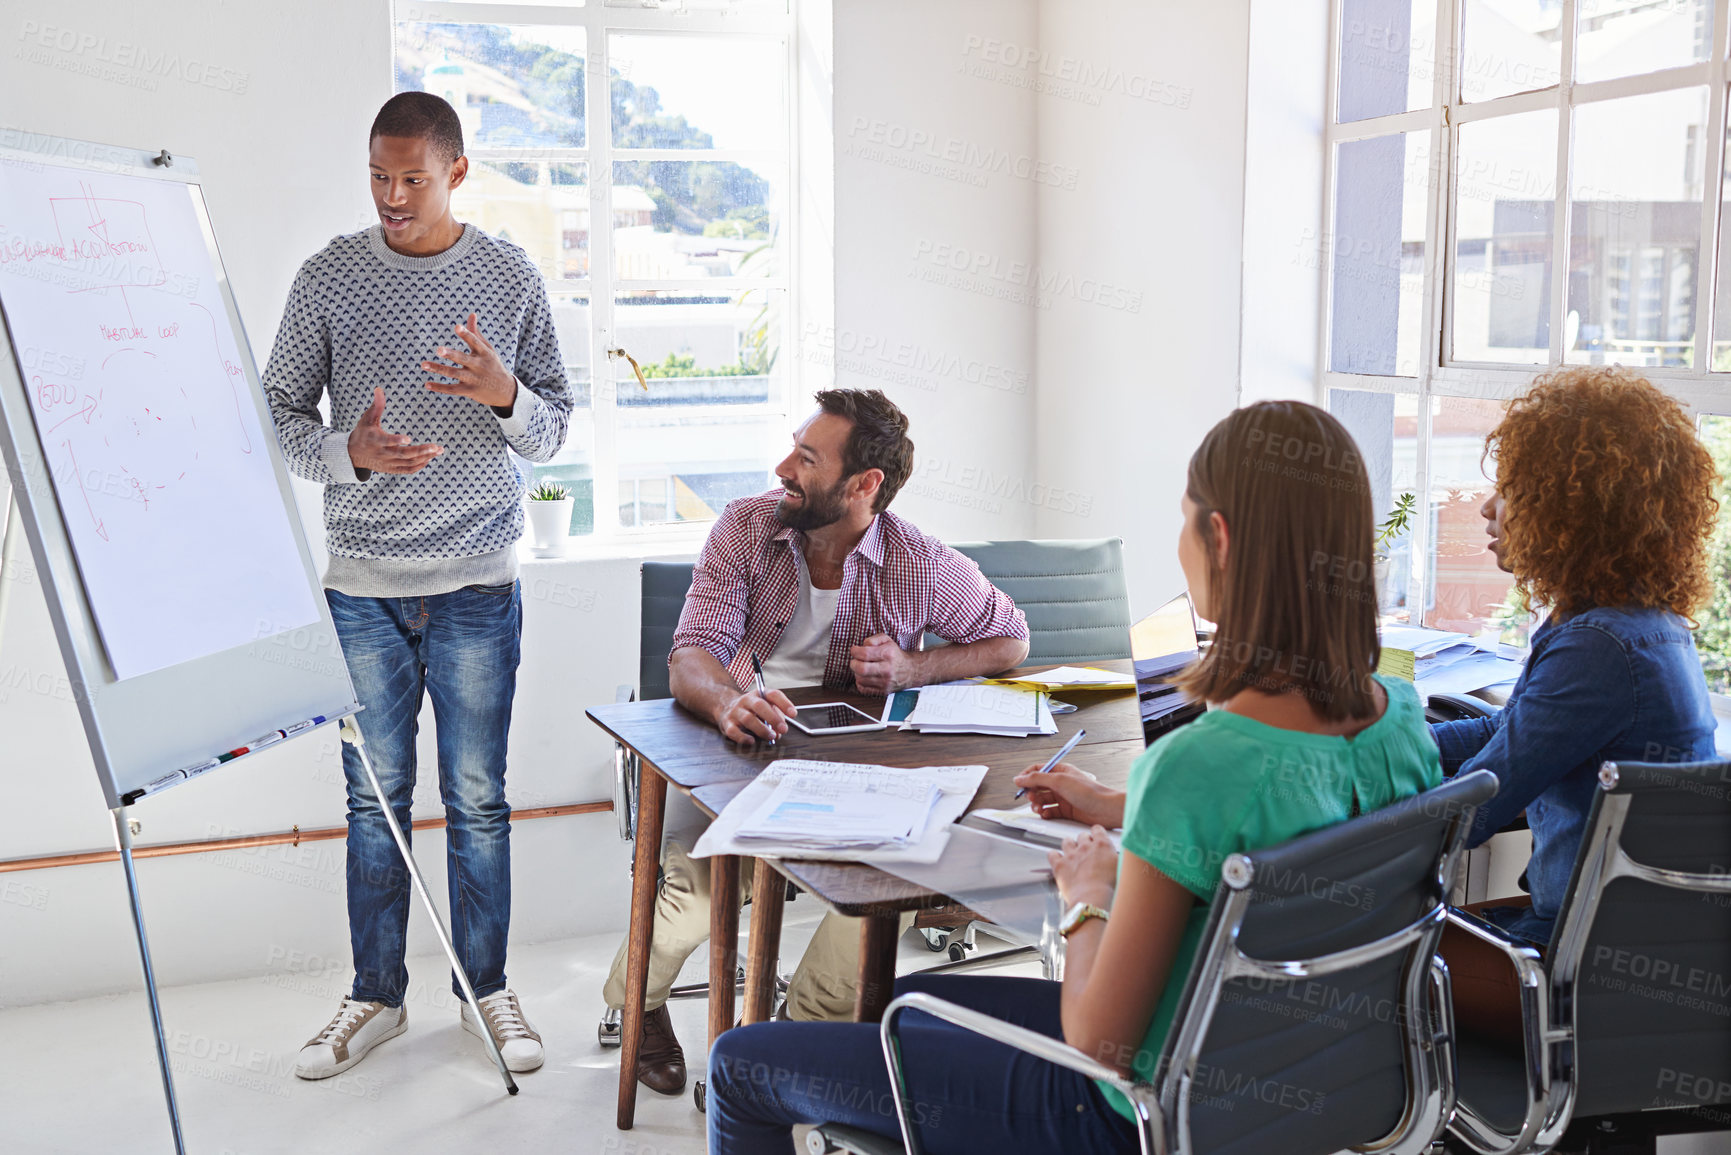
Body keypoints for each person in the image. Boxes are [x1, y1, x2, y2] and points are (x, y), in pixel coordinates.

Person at [704, 400, 1444, 1154]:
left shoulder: (1193, 767)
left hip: (1121, 1116)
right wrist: (1121, 806)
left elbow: (1099, 1044)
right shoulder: (1400, 721)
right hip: (1295, 1094)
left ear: (1217, 538)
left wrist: (1089, 894)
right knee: (899, 1000)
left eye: (1184, 519)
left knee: (741, 1062)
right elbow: (1280, 814)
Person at [263, 92, 573, 1079]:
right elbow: (274, 414)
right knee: (373, 802)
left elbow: (557, 424)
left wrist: (506, 396)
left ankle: (486, 993)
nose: (393, 196)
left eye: (412, 178)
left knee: (478, 797)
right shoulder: (329, 277)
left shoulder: (508, 275)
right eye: (378, 176)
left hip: (478, 580)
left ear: (457, 172)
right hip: (362, 585)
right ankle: (375, 995)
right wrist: (343, 452)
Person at [604, 387, 1031, 1096]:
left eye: (805, 458)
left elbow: (1010, 638)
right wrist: (727, 700)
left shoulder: (917, 560)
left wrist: (916, 666)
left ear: (864, 485)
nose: (782, 468)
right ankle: (636, 1007)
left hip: (856, 776)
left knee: (882, 896)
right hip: (737, 755)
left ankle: (788, 1044)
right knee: (691, 899)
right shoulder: (744, 528)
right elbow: (690, 655)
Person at [1432, 366, 1719, 1037]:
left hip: (1581, 969)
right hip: (1622, 954)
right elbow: (1507, 729)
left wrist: (1340, 787)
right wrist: (1385, 734)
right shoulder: (1636, 624)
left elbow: (1471, 811)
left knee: (1352, 960)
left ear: (1569, 510)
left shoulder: (1597, 648)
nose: (1485, 507)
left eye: (1508, 490)